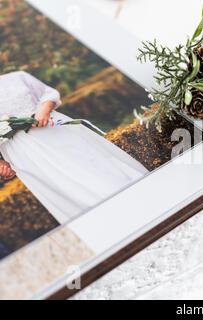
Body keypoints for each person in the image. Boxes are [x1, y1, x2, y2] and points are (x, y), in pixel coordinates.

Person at [0, 71, 149, 223]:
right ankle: (117, 221)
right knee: (67, 189)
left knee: (97, 166)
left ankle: (142, 202)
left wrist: (43, 110)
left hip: (53, 130)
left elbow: (48, 94)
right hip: (23, 151)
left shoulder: (17, 77)